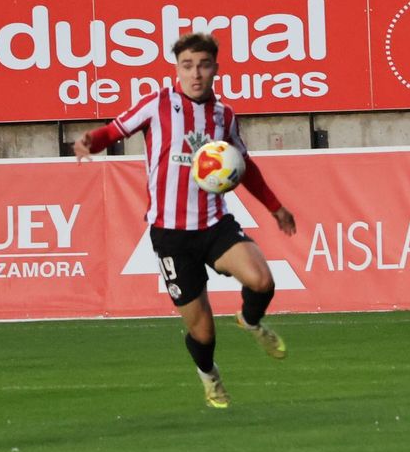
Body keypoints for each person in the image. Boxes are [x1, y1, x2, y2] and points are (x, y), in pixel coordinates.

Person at [73, 32, 296, 409]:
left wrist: (275, 206)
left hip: (214, 224)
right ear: (177, 69)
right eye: (187, 66)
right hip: (171, 236)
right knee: (203, 332)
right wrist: (89, 141)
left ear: (215, 69)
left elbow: (245, 167)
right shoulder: (157, 104)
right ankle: (209, 376)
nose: (196, 74)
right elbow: (113, 131)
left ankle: (249, 320)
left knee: (262, 281)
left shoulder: (224, 115)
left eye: (204, 66)